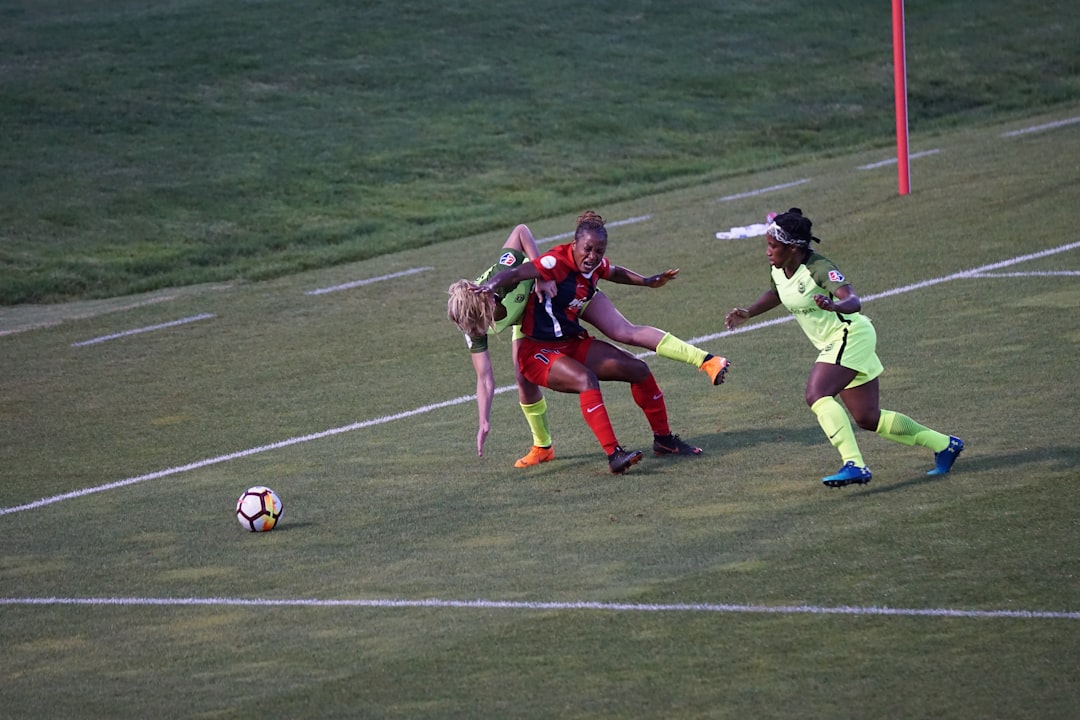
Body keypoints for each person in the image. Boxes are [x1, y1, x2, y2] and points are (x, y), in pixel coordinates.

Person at [449, 222, 731, 469]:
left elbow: (521, 232)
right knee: (525, 379)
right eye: (472, 329)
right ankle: (544, 447)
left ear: (487, 306)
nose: (476, 333)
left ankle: (697, 375)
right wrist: (484, 420)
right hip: (532, 327)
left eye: (478, 325)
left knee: (628, 345)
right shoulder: (472, 326)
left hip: (559, 302)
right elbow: (484, 378)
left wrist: (541, 275)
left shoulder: (506, 276)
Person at [723, 208, 964, 487]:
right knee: (868, 418)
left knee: (817, 394)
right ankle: (945, 444)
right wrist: (749, 312)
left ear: (792, 248)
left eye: (773, 246)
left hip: (850, 335)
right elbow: (778, 291)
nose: (767, 251)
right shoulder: (780, 267)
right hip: (838, 343)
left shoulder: (820, 268)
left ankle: (854, 464)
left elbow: (852, 300)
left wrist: (834, 305)